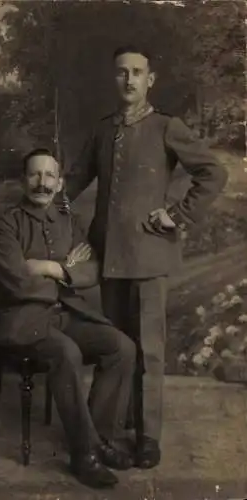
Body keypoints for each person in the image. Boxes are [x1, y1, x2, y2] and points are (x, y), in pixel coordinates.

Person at [63, 44, 228, 469]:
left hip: (151, 256)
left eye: (137, 72)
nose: (129, 80)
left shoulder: (166, 127)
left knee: (150, 351)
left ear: (150, 80)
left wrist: (177, 214)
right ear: (113, 78)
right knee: (119, 348)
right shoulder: (102, 131)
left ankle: (148, 437)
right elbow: (73, 182)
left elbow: (213, 173)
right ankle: (109, 433)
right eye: (122, 72)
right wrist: (43, 213)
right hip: (110, 259)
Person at [0, 148, 136, 488]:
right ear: (23, 181)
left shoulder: (68, 223)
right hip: (22, 320)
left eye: (49, 176)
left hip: (64, 315)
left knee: (121, 347)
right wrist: (67, 271)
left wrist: (50, 268)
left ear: (60, 182)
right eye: (35, 175)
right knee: (67, 352)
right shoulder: (4, 228)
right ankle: (84, 455)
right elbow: (17, 282)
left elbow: (92, 270)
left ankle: (99, 438)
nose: (42, 183)